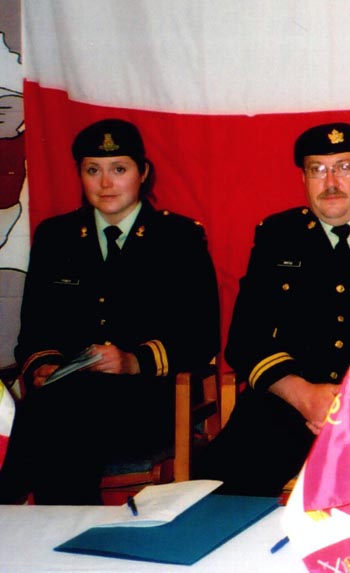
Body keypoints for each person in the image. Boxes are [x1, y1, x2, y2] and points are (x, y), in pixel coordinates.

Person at [199, 122, 350, 506]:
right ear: (303, 179)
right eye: (317, 169)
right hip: (287, 401)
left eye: (344, 167)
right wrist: (302, 394)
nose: (330, 182)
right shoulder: (277, 235)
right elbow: (245, 339)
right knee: (215, 502)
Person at [0, 118, 220, 504]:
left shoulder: (178, 238)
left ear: (143, 172)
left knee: (54, 417)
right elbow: (34, 330)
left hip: (147, 402)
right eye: (93, 170)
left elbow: (201, 337)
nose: (105, 184)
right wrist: (45, 365)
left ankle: (10, 503)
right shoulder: (56, 236)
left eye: (119, 169)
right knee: (63, 415)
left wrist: (132, 361)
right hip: (65, 399)